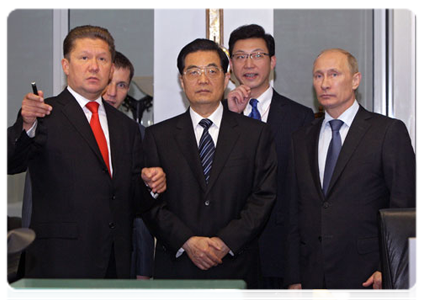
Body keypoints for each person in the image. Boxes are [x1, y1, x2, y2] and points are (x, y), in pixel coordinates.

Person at [5, 25, 166, 279]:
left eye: (102, 59)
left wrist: (150, 186)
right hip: (58, 262)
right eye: (84, 58)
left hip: (115, 262)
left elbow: (131, 201)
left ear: (111, 69)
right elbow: (9, 162)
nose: (94, 66)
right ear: (66, 65)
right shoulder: (44, 115)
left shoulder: (126, 128)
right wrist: (25, 126)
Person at [141, 38, 277, 300]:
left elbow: (264, 196)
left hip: (237, 268)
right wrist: (188, 242)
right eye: (193, 72)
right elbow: (150, 202)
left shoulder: (255, 134)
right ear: (182, 81)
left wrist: (225, 242)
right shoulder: (158, 136)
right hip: (177, 269)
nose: (203, 79)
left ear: (226, 78)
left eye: (212, 71)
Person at [285, 48, 419, 300]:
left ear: (355, 80)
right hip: (314, 277)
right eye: (318, 76)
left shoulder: (387, 132)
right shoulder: (301, 139)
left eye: (334, 74)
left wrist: (390, 268)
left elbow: (405, 209)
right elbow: (295, 211)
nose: (324, 83)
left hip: (369, 277)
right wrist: (293, 276)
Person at [226, 24, 314, 299]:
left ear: (272, 62)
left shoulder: (300, 118)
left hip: (280, 254)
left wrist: (297, 270)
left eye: (257, 55)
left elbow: (305, 194)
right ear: (230, 63)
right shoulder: (218, 116)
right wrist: (233, 119)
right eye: (240, 56)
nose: (248, 64)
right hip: (230, 253)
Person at [102, 50, 153, 279]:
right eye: (109, 82)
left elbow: (141, 209)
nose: (112, 93)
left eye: (121, 85)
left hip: (123, 260)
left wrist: (144, 268)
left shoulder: (138, 134)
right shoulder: (58, 122)